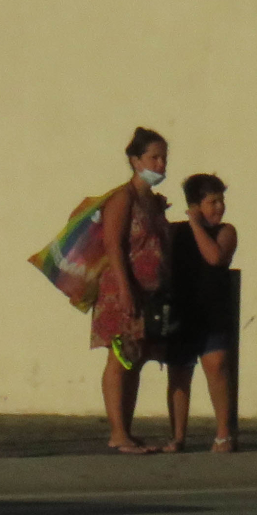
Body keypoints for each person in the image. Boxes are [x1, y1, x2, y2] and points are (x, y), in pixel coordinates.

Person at [94, 128, 172, 454]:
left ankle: (125, 428)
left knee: (133, 359)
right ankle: (117, 433)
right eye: (153, 157)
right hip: (121, 291)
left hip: (147, 292)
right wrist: (126, 289)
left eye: (163, 157)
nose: (160, 163)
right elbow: (113, 243)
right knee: (119, 357)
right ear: (135, 160)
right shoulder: (123, 198)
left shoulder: (151, 201)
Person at [162, 173, 239, 454]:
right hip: (184, 309)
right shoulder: (177, 233)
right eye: (212, 202)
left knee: (217, 366)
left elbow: (215, 257)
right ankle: (178, 436)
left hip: (213, 311)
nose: (219, 207)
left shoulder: (226, 231)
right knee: (179, 373)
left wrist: (196, 224)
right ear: (195, 204)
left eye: (221, 201)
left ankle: (223, 434)